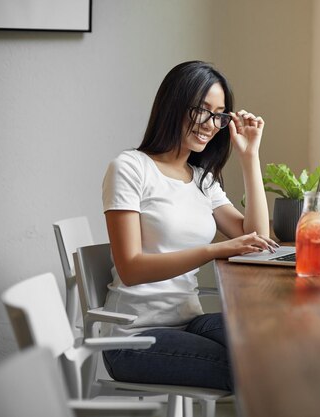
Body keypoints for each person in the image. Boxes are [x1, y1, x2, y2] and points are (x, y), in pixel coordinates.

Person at [100, 61, 278, 391]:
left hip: (187, 322)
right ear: (174, 105)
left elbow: (257, 240)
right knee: (257, 370)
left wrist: (250, 157)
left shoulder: (201, 180)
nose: (211, 124)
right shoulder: (130, 168)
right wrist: (216, 250)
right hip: (133, 337)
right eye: (202, 111)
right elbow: (131, 269)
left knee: (273, 347)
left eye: (220, 115)